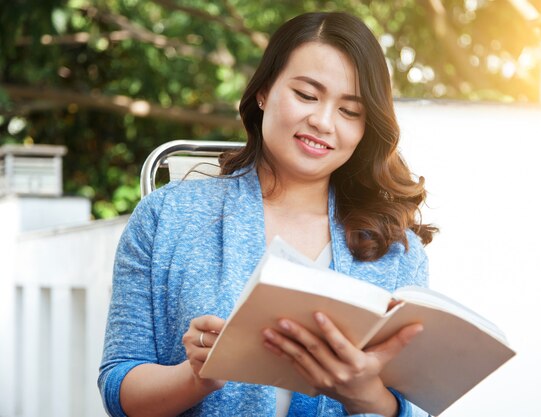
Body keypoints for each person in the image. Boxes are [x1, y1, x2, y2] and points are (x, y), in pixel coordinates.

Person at [98, 11, 436, 417]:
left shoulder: (397, 251)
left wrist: (367, 397)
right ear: (263, 91)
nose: (323, 121)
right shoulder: (167, 216)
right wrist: (195, 378)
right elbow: (119, 386)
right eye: (307, 95)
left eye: (350, 111)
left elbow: (410, 405)